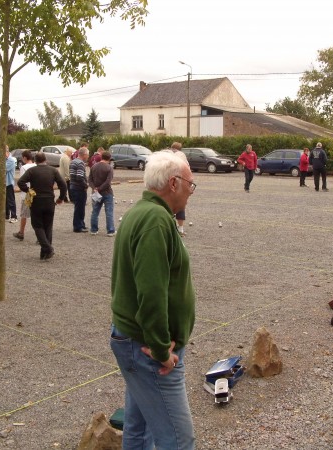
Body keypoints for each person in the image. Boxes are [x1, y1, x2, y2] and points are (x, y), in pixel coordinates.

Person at [110, 150, 196, 449]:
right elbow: (151, 293)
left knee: (138, 428)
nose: (191, 190)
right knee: (178, 437)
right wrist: (161, 350)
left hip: (135, 342)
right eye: (190, 183)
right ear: (173, 183)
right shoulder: (155, 220)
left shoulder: (144, 212)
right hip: (148, 351)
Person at [17, 152, 68, 260]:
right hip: (49, 201)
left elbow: (21, 182)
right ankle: (44, 253)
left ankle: (48, 248)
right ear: (46, 160)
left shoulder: (32, 171)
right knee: (48, 226)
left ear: (35, 161)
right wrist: (61, 198)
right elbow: (63, 185)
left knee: (37, 226)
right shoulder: (53, 170)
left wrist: (28, 190)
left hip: (36, 201)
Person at [89, 151, 116, 236]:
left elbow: (89, 180)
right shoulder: (109, 168)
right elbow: (108, 182)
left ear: (101, 157)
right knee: (109, 212)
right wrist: (100, 189)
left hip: (96, 192)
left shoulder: (93, 166)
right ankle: (110, 231)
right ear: (109, 158)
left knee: (95, 211)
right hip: (107, 192)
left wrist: (95, 188)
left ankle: (93, 230)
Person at [167, 142, 189, 236]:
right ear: (180, 149)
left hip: (168, 182)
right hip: (179, 182)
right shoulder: (181, 155)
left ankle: (170, 228)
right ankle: (180, 229)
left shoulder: (166, 154)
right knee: (180, 205)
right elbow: (187, 168)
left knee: (168, 204)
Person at [13, 150, 35, 240]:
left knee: (24, 214)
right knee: (36, 215)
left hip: (27, 194)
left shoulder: (24, 167)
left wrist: (26, 190)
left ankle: (21, 232)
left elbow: (22, 181)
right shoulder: (36, 166)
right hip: (35, 192)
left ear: (25, 158)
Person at [69, 146, 89, 232]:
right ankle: (78, 226)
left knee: (79, 207)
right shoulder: (80, 163)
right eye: (88, 155)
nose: (88, 157)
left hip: (73, 187)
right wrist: (86, 185)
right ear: (84, 154)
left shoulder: (73, 161)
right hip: (79, 188)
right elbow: (80, 177)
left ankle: (81, 224)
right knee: (79, 208)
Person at [5, 146, 18, 222]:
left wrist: (0, 166)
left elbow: (3, 170)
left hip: (9, 183)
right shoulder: (2, 160)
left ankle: (14, 216)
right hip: (3, 184)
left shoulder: (11, 160)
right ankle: (6, 215)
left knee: (11, 200)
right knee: (5, 200)